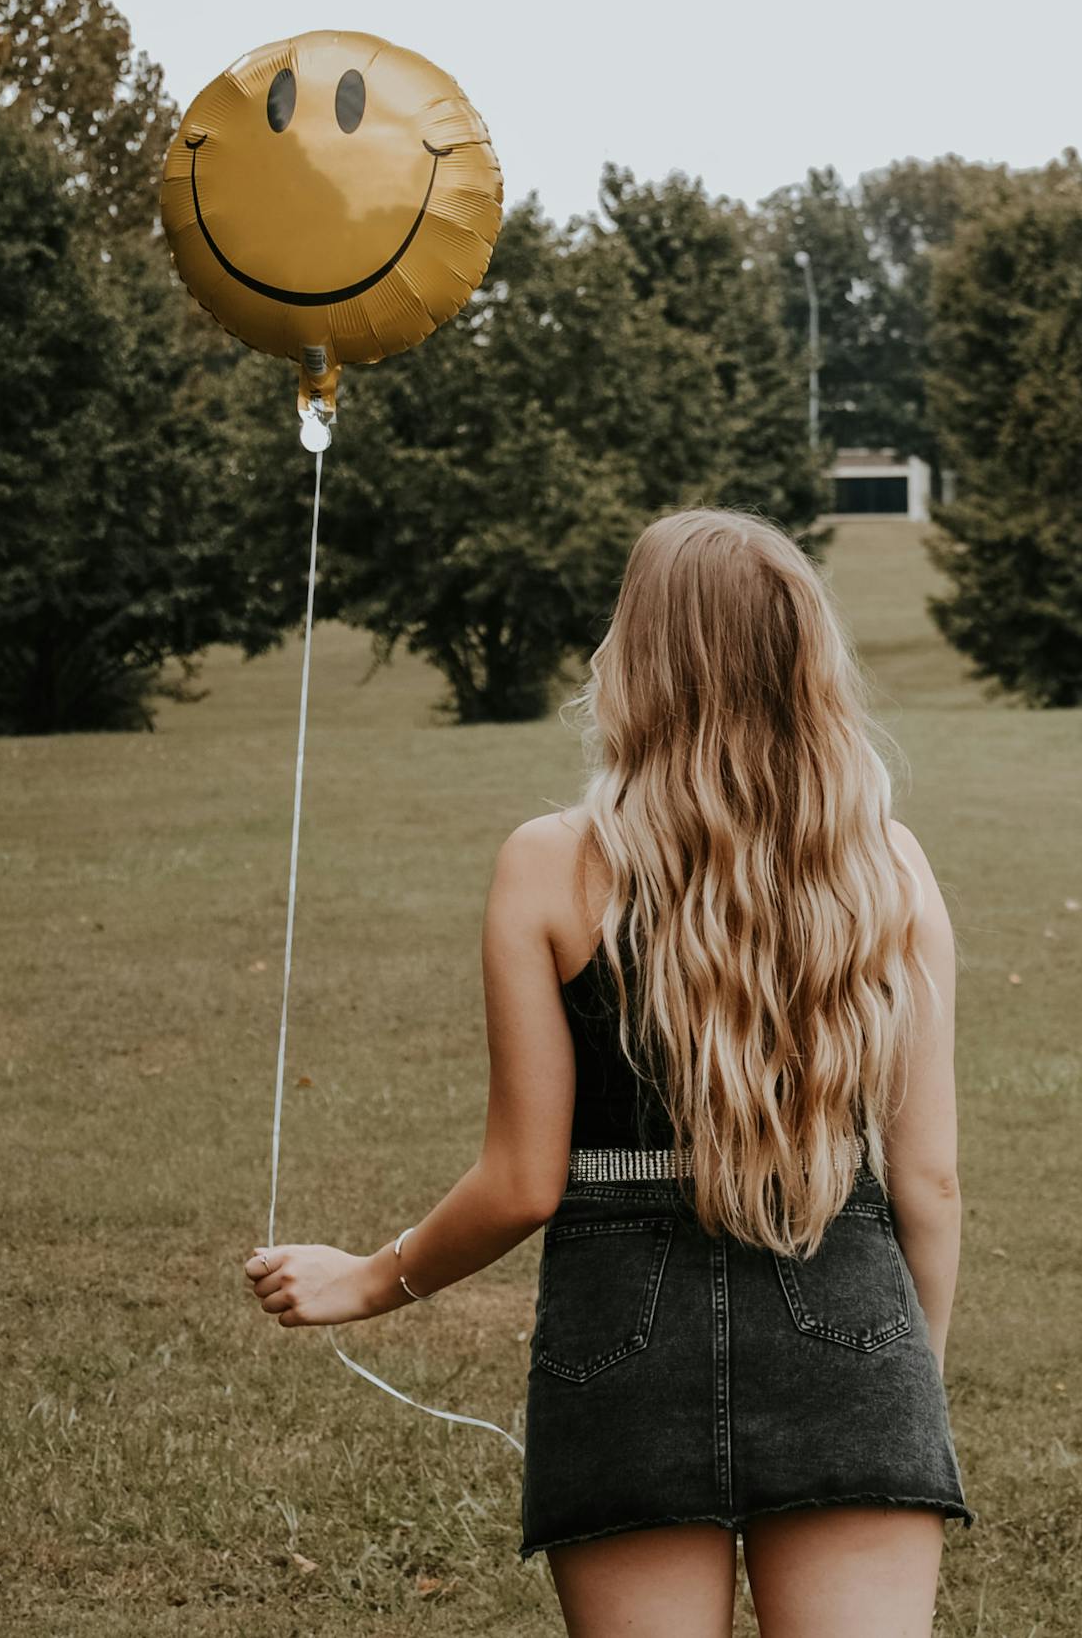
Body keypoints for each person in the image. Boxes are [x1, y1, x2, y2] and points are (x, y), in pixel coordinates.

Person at [242, 507, 974, 1636]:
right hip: (851, 1325)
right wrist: (906, 1377)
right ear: (806, 659)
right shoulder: (887, 862)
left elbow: (523, 1181)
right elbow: (928, 1184)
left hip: (623, 1351)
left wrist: (367, 1277)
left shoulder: (547, 865)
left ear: (636, 658)